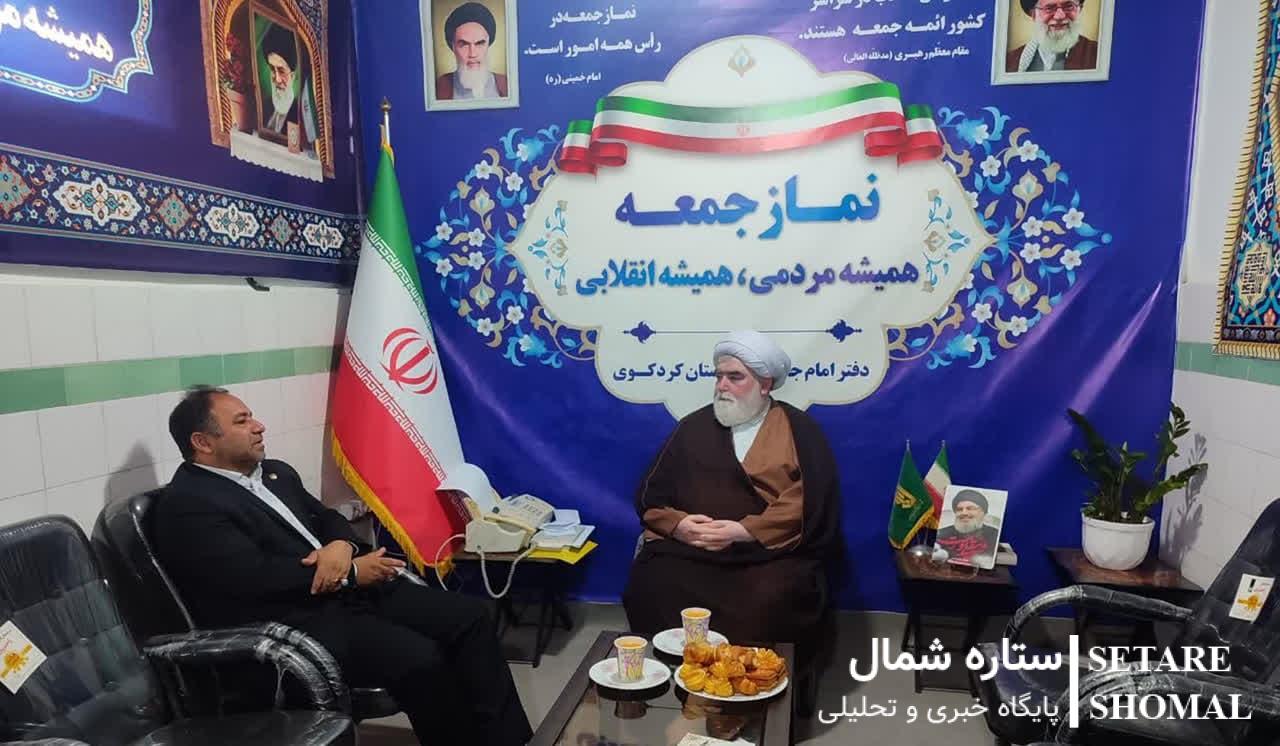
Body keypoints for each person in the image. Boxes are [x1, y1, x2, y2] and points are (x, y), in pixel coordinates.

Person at [152, 386, 532, 746]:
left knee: (470, 617)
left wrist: (340, 545)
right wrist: (349, 573)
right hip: (293, 618)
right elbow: (253, 577)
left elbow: (328, 518)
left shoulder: (275, 473)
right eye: (242, 421)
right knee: (420, 656)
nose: (259, 426)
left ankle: (509, 740)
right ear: (203, 442)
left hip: (347, 591)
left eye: (251, 416)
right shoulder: (190, 503)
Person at [622, 331, 842, 646]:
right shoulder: (693, 427)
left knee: (772, 597)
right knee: (652, 583)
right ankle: (677, 668)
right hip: (694, 549)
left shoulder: (800, 431)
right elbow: (652, 494)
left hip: (767, 552)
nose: (722, 385)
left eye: (735, 377)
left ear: (765, 384)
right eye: (719, 376)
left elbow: (809, 501)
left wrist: (745, 531)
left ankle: (748, 674)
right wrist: (680, 526)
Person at [436, 2, 508, 100]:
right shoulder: (438, 88)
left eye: (479, 43)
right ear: (453, 47)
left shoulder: (507, 84)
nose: (472, 54)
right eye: (464, 44)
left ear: (488, 44)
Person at [1005, 0, 1098, 73]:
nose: (1060, 16)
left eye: (1069, 6)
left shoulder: (1097, 54)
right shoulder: (1011, 62)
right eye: (1049, 8)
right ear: (1033, 14)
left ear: (1079, 9)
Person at [934, 489, 1001, 568]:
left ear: (983, 512)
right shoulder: (941, 533)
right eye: (959, 509)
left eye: (970, 508)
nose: (964, 513)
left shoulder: (995, 535)